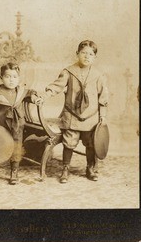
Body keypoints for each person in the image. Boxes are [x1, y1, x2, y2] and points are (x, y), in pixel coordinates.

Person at [42, 40, 108, 183]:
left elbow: (103, 97)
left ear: (95, 57)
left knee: (91, 143)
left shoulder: (99, 75)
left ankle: (90, 168)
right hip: (72, 116)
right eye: (83, 52)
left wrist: (102, 115)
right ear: (77, 53)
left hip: (91, 117)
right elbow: (57, 86)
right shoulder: (69, 71)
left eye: (91, 54)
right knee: (69, 143)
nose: (86, 56)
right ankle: (65, 169)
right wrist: (46, 94)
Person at [0, 62, 41, 185]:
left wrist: (35, 98)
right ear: (1, 78)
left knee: (16, 147)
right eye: (7, 76)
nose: (11, 80)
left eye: (14, 77)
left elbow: (30, 94)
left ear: (18, 78)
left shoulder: (21, 91)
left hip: (17, 125)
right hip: (0, 126)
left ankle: (14, 172)